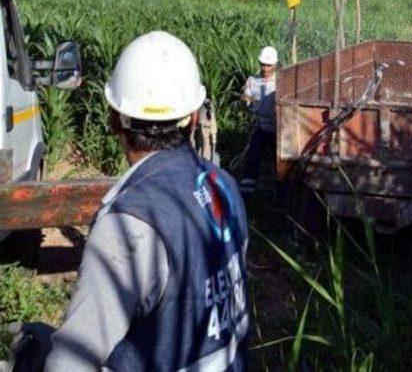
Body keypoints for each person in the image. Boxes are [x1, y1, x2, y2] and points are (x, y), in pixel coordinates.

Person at [13, 31, 250, 372]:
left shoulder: (130, 225)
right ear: (194, 117)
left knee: (34, 347)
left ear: (113, 120)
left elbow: (69, 365)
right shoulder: (224, 187)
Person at [239, 46, 278, 195]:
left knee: (278, 158)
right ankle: (247, 189)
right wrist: (246, 98)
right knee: (253, 154)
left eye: (268, 65)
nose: (265, 68)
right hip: (260, 124)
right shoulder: (252, 80)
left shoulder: (280, 82)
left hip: (276, 127)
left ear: (274, 65)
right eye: (263, 64)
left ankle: (281, 188)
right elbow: (246, 98)